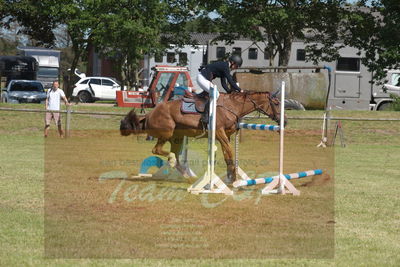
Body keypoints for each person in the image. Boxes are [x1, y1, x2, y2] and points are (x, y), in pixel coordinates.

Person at [196, 54, 243, 124]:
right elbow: (230, 80)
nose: (236, 68)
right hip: (202, 78)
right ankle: (205, 116)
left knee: (215, 93)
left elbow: (223, 84)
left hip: (203, 78)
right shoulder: (225, 66)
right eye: (236, 66)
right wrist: (240, 90)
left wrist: (229, 91)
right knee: (216, 93)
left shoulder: (224, 67)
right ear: (233, 63)